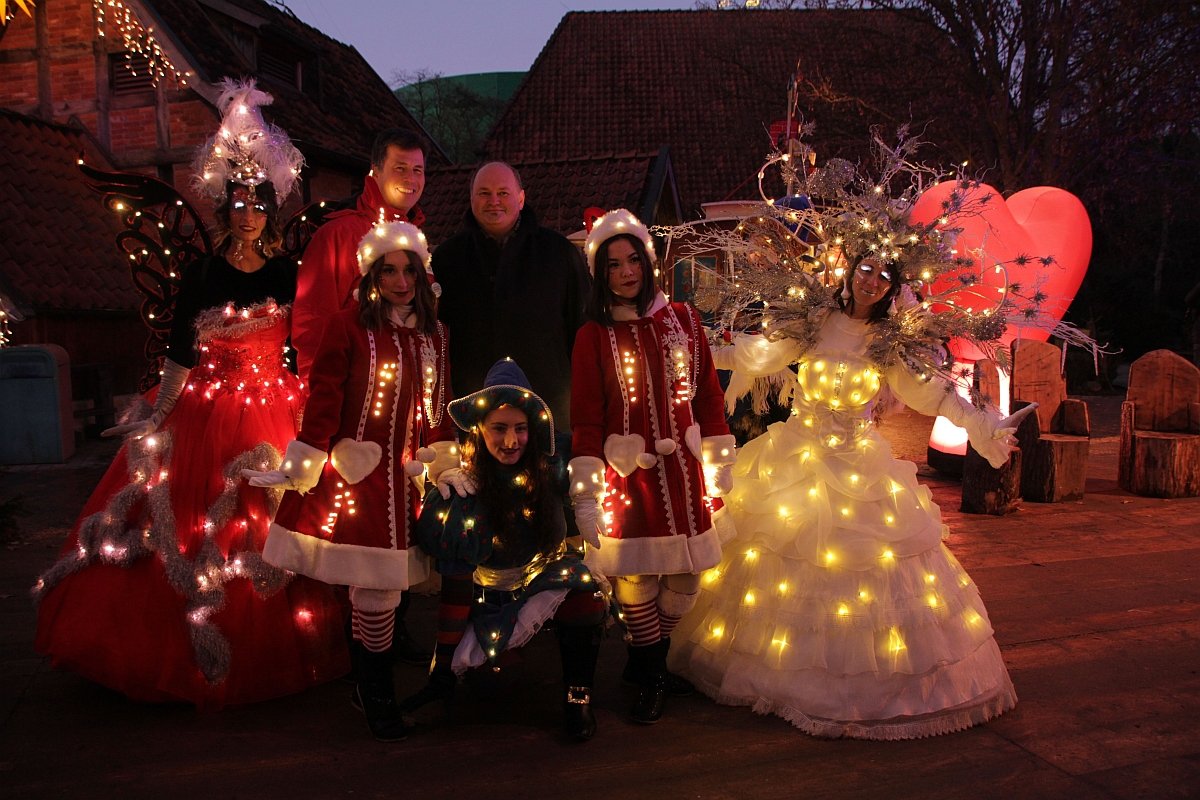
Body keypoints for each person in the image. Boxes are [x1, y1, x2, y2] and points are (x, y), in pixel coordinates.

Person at [32, 80, 346, 709]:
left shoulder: (290, 272)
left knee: (282, 525)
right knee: (182, 527)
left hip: (274, 409)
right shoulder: (203, 273)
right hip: (206, 410)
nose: (249, 213)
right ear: (225, 207)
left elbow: (308, 345)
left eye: (258, 203)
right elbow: (180, 351)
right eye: (238, 203)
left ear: (270, 209)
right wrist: (156, 414)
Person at [671, 248, 1038, 739]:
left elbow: (931, 393)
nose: (873, 281)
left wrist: (981, 423)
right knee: (777, 556)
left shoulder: (888, 341)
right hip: (797, 459)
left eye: (885, 275)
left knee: (869, 569)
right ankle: (775, 675)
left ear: (893, 286)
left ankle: (851, 688)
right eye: (866, 269)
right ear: (850, 272)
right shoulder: (814, 320)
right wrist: (691, 346)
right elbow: (755, 354)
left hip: (858, 466)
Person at [248, 221, 457, 742]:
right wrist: (306, 462)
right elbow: (324, 402)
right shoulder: (347, 327)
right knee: (375, 591)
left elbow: (438, 411)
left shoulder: (435, 334)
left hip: (407, 482)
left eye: (409, 270)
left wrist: (446, 462)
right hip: (358, 479)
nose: (401, 281)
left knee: (385, 592)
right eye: (389, 270)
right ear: (371, 275)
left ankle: (368, 688)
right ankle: (379, 697)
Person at [568, 210, 736, 723]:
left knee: (685, 577)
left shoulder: (684, 320)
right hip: (628, 478)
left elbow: (708, 395)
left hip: (684, 475)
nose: (626, 272)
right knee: (636, 578)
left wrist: (717, 457)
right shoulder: (593, 336)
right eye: (614, 264)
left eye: (633, 260)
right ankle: (650, 670)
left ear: (647, 261)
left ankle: (648, 663)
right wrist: (585, 492)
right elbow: (588, 420)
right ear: (601, 274)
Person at [403, 359, 609, 741]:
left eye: (520, 428)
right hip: (487, 596)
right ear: (480, 430)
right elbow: (455, 588)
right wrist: (442, 669)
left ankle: (578, 697)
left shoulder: (553, 461)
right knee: (494, 685)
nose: (511, 441)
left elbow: (594, 445)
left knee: (587, 596)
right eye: (499, 429)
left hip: (544, 575)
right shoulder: (464, 489)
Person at [291, 127, 433, 666]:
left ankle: (390, 634)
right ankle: (359, 654)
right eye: (401, 168)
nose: (412, 180)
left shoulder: (417, 242)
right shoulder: (340, 235)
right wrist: (316, 405)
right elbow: (311, 321)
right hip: (351, 419)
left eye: (420, 170)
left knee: (399, 527)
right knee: (350, 529)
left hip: (405, 419)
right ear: (375, 171)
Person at [431, 161, 590, 429]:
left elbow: (582, 330)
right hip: (472, 415)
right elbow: (438, 339)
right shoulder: (447, 259)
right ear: (472, 200)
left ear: (521, 198)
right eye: (484, 193)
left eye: (503, 193)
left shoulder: (559, 253)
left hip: (548, 413)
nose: (494, 201)